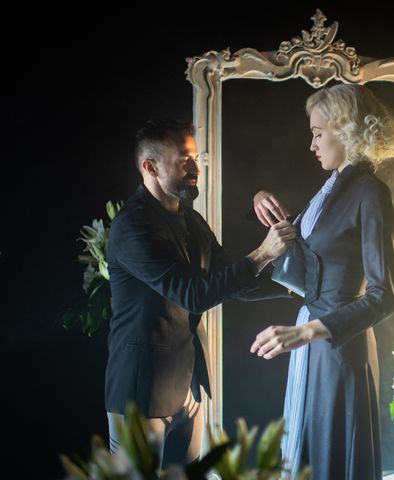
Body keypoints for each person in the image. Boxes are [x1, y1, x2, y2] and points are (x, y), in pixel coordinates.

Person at [105, 119, 296, 468]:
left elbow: (231, 280)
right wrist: (264, 253)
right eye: (183, 160)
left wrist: (298, 289)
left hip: (189, 386)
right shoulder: (131, 228)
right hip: (141, 394)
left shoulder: (191, 220)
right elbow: (192, 295)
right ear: (150, 166)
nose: (194, 168)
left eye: (195, 158)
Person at [250, 84, 394, 480]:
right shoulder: (335, 186)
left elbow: (384, 297)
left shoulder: (370, 192)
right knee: (309, 453)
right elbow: (309, 261)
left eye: (318, 133)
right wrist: (263, 203)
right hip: (314, 342)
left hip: (338, 349)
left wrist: (308, 331)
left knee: (331, 455)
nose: (312, 144)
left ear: (346, 129)